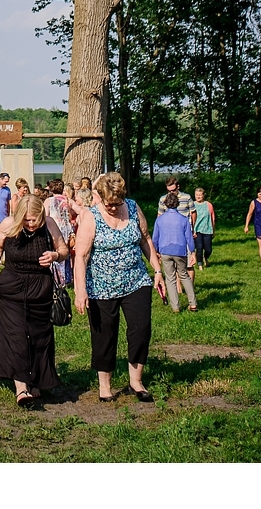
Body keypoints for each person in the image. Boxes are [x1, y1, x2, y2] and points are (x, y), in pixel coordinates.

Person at [74, 172, 166, 402]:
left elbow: (145, 239)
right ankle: (105, 386)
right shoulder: (91, 216)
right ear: (100, 197)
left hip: (136, 281)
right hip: (101, 286)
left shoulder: (133, 208)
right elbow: (81, 256)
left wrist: (157, 271)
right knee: (104, 335)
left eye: (118, 203)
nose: (114, 208)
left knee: (141, 329)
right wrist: (80, 290)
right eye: (109, 204)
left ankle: (136, 381)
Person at [0, 195, 68, 405]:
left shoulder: (49, 224)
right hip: (12, 286)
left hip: (40, 289)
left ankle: (36, 381)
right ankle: (21, 388)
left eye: (35, 220)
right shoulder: (8, 224)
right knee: (17, 336)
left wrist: (55, 256)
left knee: (39, 337)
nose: (31, 224)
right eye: (27, 220)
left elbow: (64, 250)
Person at [152, 191, 197, 312]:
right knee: (184, 275)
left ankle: (175, 306)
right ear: (177, 204)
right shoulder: (183, 219)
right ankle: (193, 303)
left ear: (166, 204)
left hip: (165, 250)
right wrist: (193, 252)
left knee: (170, 278)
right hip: (180, 250)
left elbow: (155, 238)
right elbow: (189, 238)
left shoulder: (160, 220)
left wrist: (156, 251)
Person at [44, 179, 74, 286]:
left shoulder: (49, 201)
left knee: (55, 251)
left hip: (54, 227)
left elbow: (45, 215)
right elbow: (75, 212)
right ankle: (66, 277)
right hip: (66, 228)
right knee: (65, 252)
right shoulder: (67, 200)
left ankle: (56, 277)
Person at [244, 186, 261, 270]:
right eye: (260, 194)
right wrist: (246, 226)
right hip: (259, 226)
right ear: (257, 194)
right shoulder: (254, 202)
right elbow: (249, 214)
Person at [192, 188, 215, 269]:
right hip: (197, 230)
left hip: (207, 229)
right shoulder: (192, 205)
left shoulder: (208, 205)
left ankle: (205, 257)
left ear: (203, 195)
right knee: (199, 247)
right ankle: (200, 264)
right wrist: (192, 231)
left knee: (208, 249)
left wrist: (213, 230)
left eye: (200, 195)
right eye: (196, 195)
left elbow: (212, 218)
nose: (198, 197)